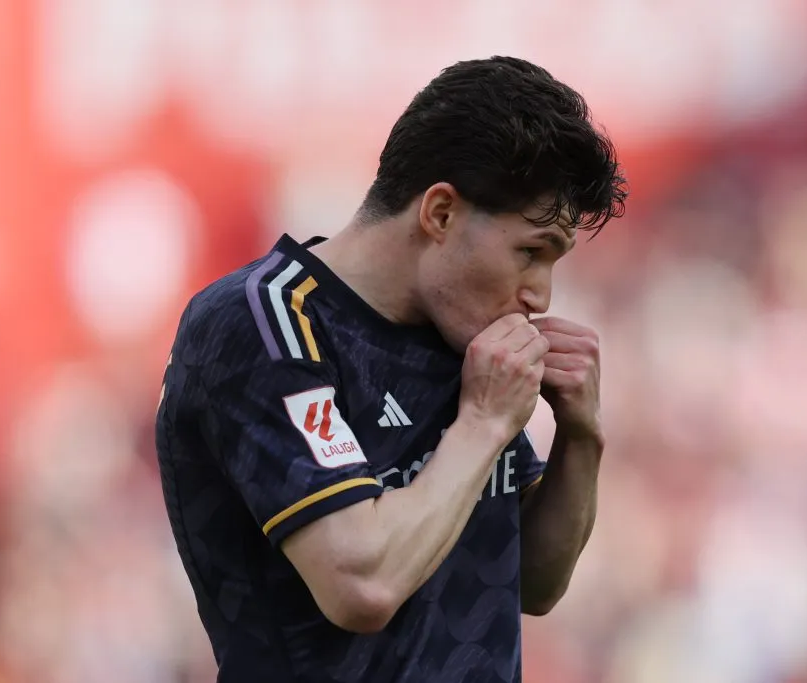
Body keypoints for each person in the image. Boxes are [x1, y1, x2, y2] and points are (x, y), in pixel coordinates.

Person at [156, 55, 627, 683]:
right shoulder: (262, 324)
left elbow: (535, 583)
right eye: (530, 252)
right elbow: (362, 585)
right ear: (439, 213)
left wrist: (580, 438)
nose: (540, 295)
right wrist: (482, 423)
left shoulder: (459, 330)